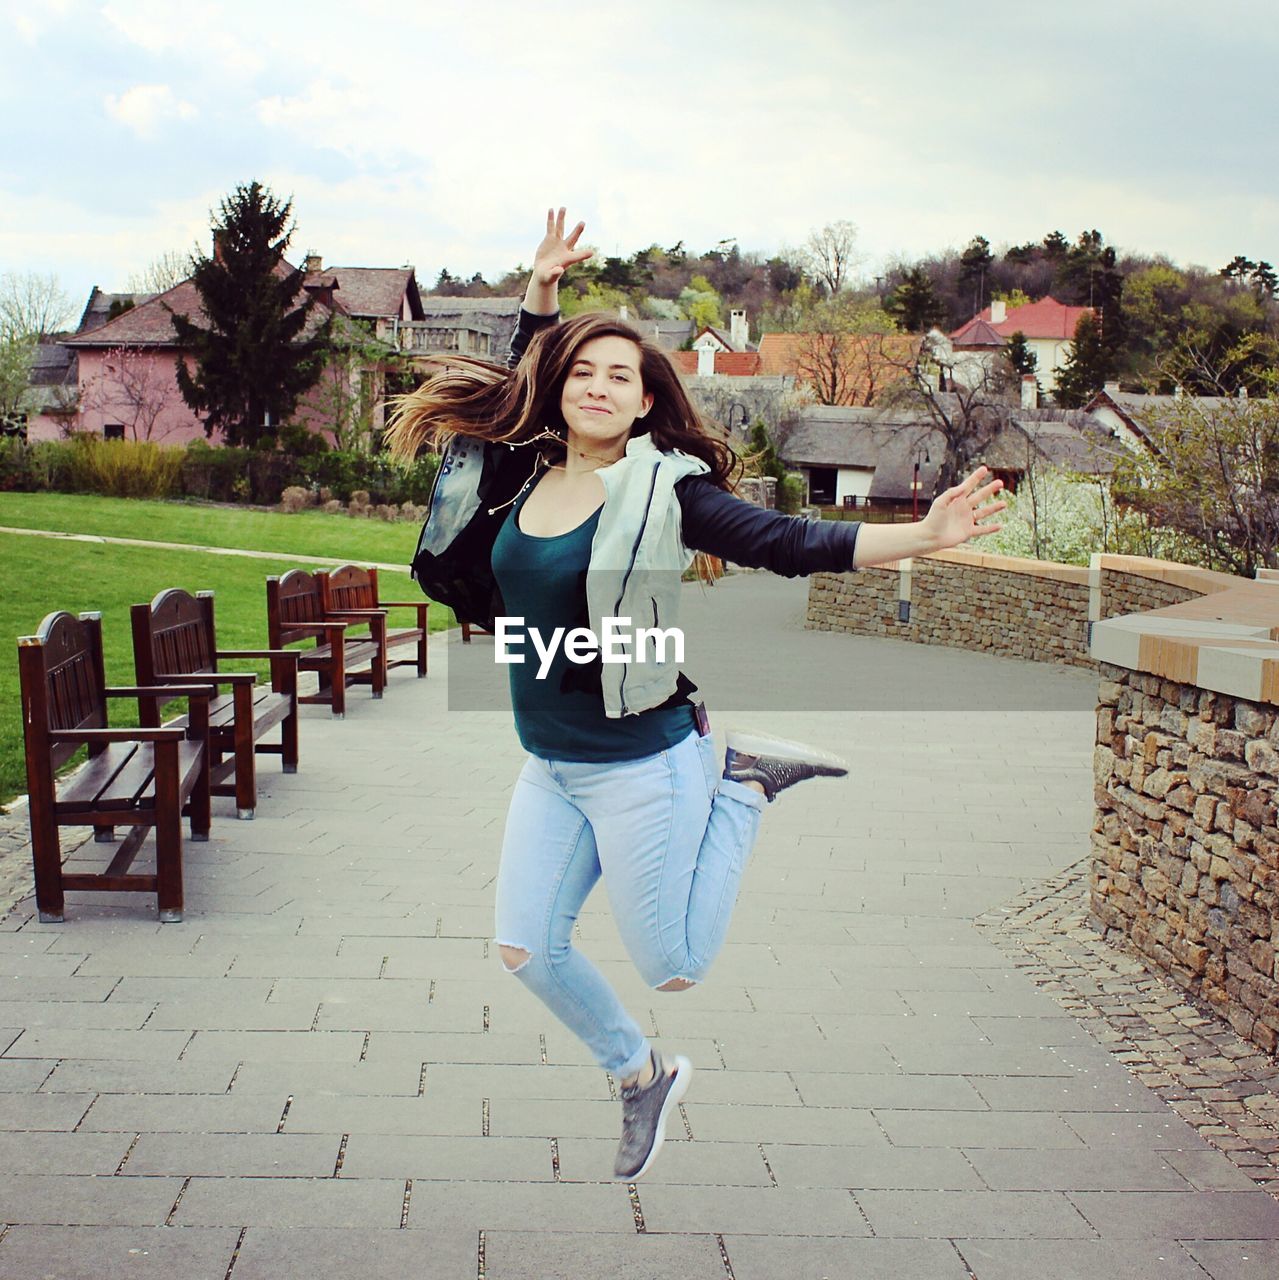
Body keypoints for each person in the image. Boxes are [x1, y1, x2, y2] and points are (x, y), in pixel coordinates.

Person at [386, 209, 1006, 1181]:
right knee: (526, 948)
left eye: (619, 376)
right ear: (561, 387)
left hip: (644, 760)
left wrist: (916, 538)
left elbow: (779, 540)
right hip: (550, 763)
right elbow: (520, 369)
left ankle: (745, 785)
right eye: (581, 370)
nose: (596, 385)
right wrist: (540, 290)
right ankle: (638, 1072)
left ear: (642, 403)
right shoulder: (522, 466)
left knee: (675, 961)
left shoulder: (667, 488)